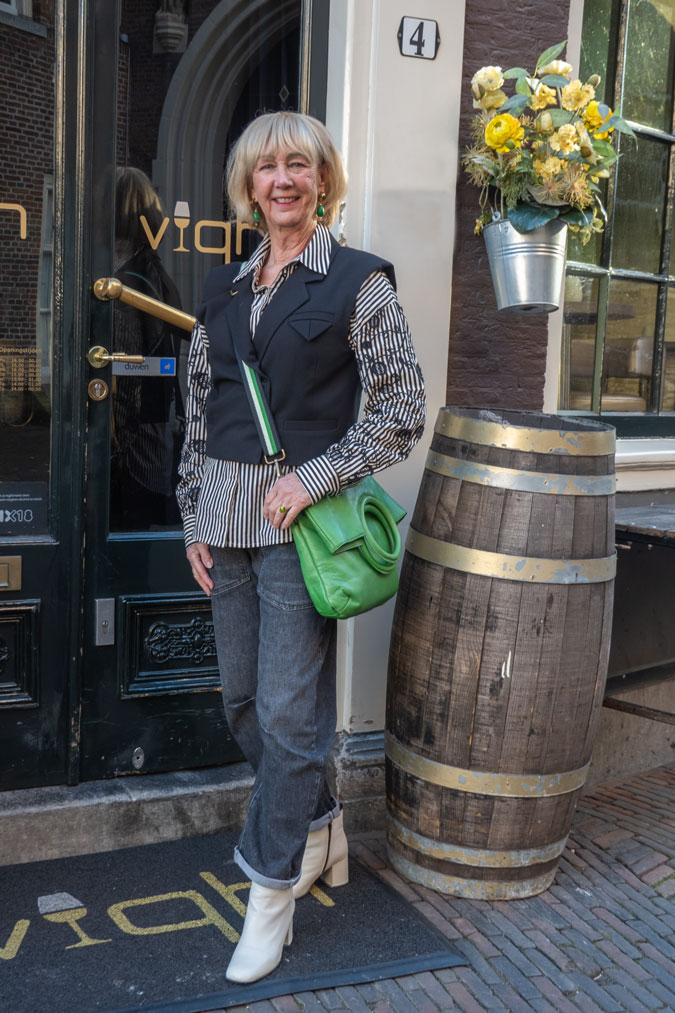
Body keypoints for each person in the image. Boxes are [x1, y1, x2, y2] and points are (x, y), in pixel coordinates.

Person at [177, 111, 425, 984]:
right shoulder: (223, 291)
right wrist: (190, 515)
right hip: (226, 520)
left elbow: (400, 410)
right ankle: (320, 821)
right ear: (248, 187)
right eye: (265, 168)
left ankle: (270, 892)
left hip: (297, 532)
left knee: (288, 717)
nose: (281, 180)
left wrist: (315, 476)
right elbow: (199, 415)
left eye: (299, 165)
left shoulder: (360, 282)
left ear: (322, 181)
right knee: (244, 706)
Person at [111, 167, 185, 530]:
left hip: (136, 449)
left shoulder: (124, 282)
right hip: (159, 435)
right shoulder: (157, 273)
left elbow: (124, 370)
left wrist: (111, 445)